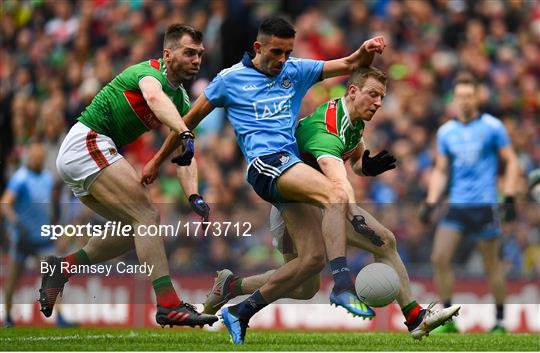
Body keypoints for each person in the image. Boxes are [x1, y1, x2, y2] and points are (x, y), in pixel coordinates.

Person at [143, 17, 390, 344]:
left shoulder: (295, 70)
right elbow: (186, 122)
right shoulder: (229, 80)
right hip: (266, 164)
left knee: (312, 262)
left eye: (288, 52)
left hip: (290, 169)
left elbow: (351, 64)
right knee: (336, 191)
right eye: (277, 52)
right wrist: (157, 161)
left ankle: (239, 309)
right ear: (258, 48)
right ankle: (343, 286)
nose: (283, 60)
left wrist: (366, 50)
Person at [202, 67, 461, 340]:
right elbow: (339, 183)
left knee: (377, 245)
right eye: (373, 94)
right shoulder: (326, 130)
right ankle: (251, 300)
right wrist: (354, 214)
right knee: (311, 265)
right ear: (352, 91)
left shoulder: (353, 120)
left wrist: (366, 166)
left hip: (320, 202)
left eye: (382, 97)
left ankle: (414, 317)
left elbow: (355, 162)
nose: (378, 103)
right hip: (292, 201)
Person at [38, 24, 217, 328]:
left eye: (199, 54)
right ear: (167, 54)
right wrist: (183, 130)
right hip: (88, 142)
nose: (196, 60)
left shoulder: (182, 103)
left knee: (133, 229)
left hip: (87, 153)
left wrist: (193, 194)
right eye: (189, 53)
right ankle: (168, 305)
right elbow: (156, 100)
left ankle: (63, 267)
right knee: (147, 216)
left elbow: (185, 155)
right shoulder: (149, 74)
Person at [419, 72, 521, 334]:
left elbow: (510, 161)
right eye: (460, 96)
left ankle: (499, 322)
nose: (464, 101)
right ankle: (449, 320)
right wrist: (431, 202)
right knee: (440, 257)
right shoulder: (446, 132)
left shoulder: (492, 127)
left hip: (485, 205)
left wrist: (509, 196)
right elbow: (441, 170)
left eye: (469, 96)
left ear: (477, 97)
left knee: (491, 266)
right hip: (458, 205)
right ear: (454, 99)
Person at [1, 140, 73, 327]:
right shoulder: (20, 178)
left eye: (40, 156)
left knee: (53, 276)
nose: (37, 159)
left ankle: (60, 317)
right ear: (29, 157)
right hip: (23, 238)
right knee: (14, 279)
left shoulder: (48, 179)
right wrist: (16, 223)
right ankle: (8, 316)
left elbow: (50, 208)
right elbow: (5, 203)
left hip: (43, 238)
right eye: (34, 156)